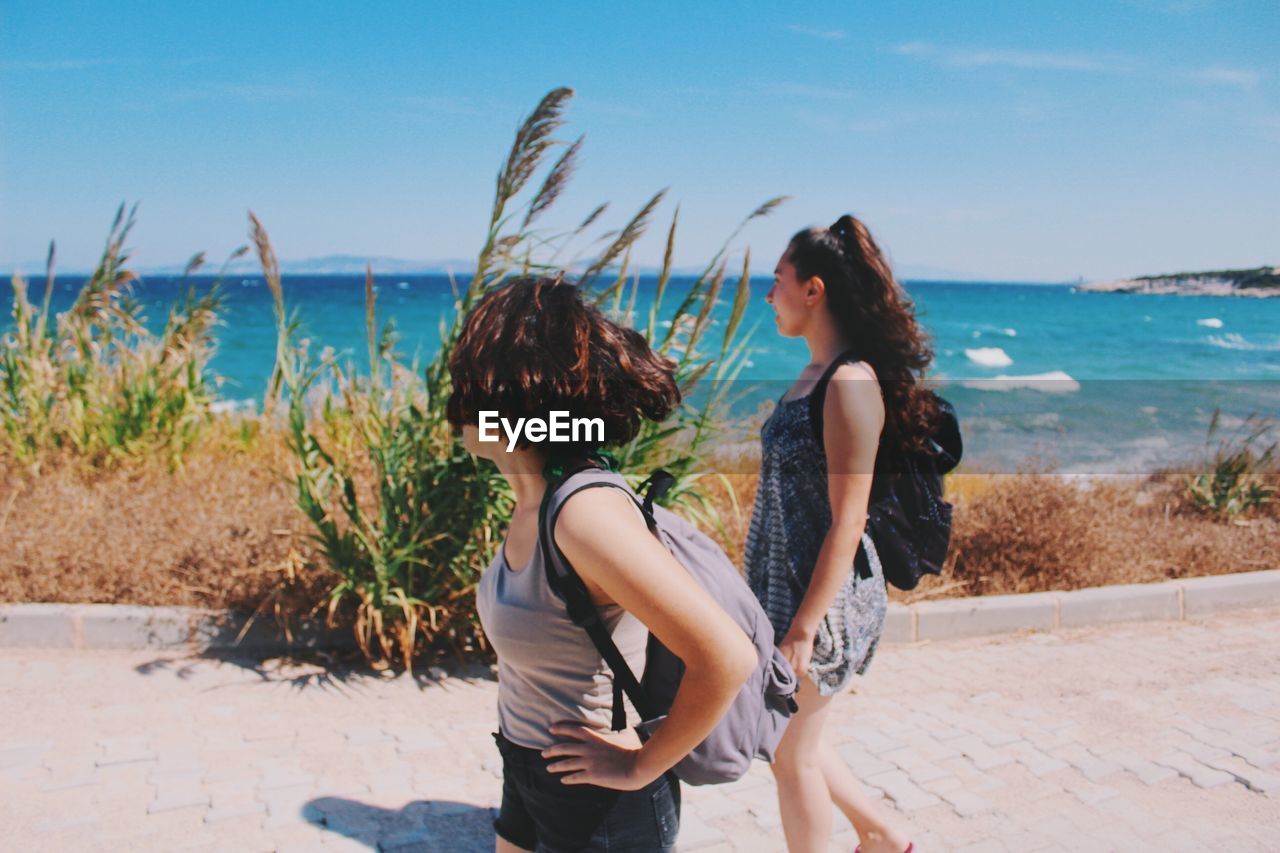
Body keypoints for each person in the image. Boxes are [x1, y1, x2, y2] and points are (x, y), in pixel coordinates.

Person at [448, 275, 758, 853]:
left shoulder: (584, 513)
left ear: (502, 391)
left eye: (466, 374)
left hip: (602, 806)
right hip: (527, 770)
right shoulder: (531, 502)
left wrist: (640, 765)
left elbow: (726, 655)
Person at [744, 215, 939, 853]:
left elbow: (848, 519)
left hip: (823, 602)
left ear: (813, 290)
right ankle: (883, 835)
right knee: (792, 740)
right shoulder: (812, 374)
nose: (768, 297)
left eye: (776, 283)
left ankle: (878, 836)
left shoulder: (849, 383)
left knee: (788, 754)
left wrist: (803, 626)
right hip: (786, 587)